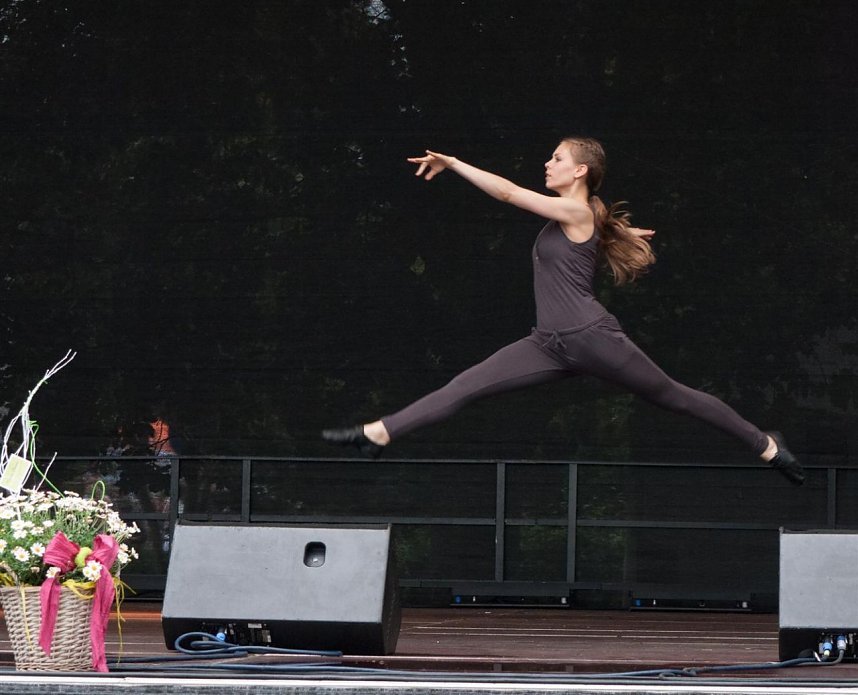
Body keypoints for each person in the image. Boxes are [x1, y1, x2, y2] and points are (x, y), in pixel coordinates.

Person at [322, 137, 805, 485]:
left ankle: (765, 445)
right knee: (465, 385)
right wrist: (619, 233)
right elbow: (595, 226)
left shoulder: (575, 212)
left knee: (673, 396)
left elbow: (510, 194)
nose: (547, 163)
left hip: (591, 336)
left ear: (580, 171)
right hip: (548, 345)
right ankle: (379, 433)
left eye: (557, 158)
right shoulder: (585, 213)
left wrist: (454, 163)